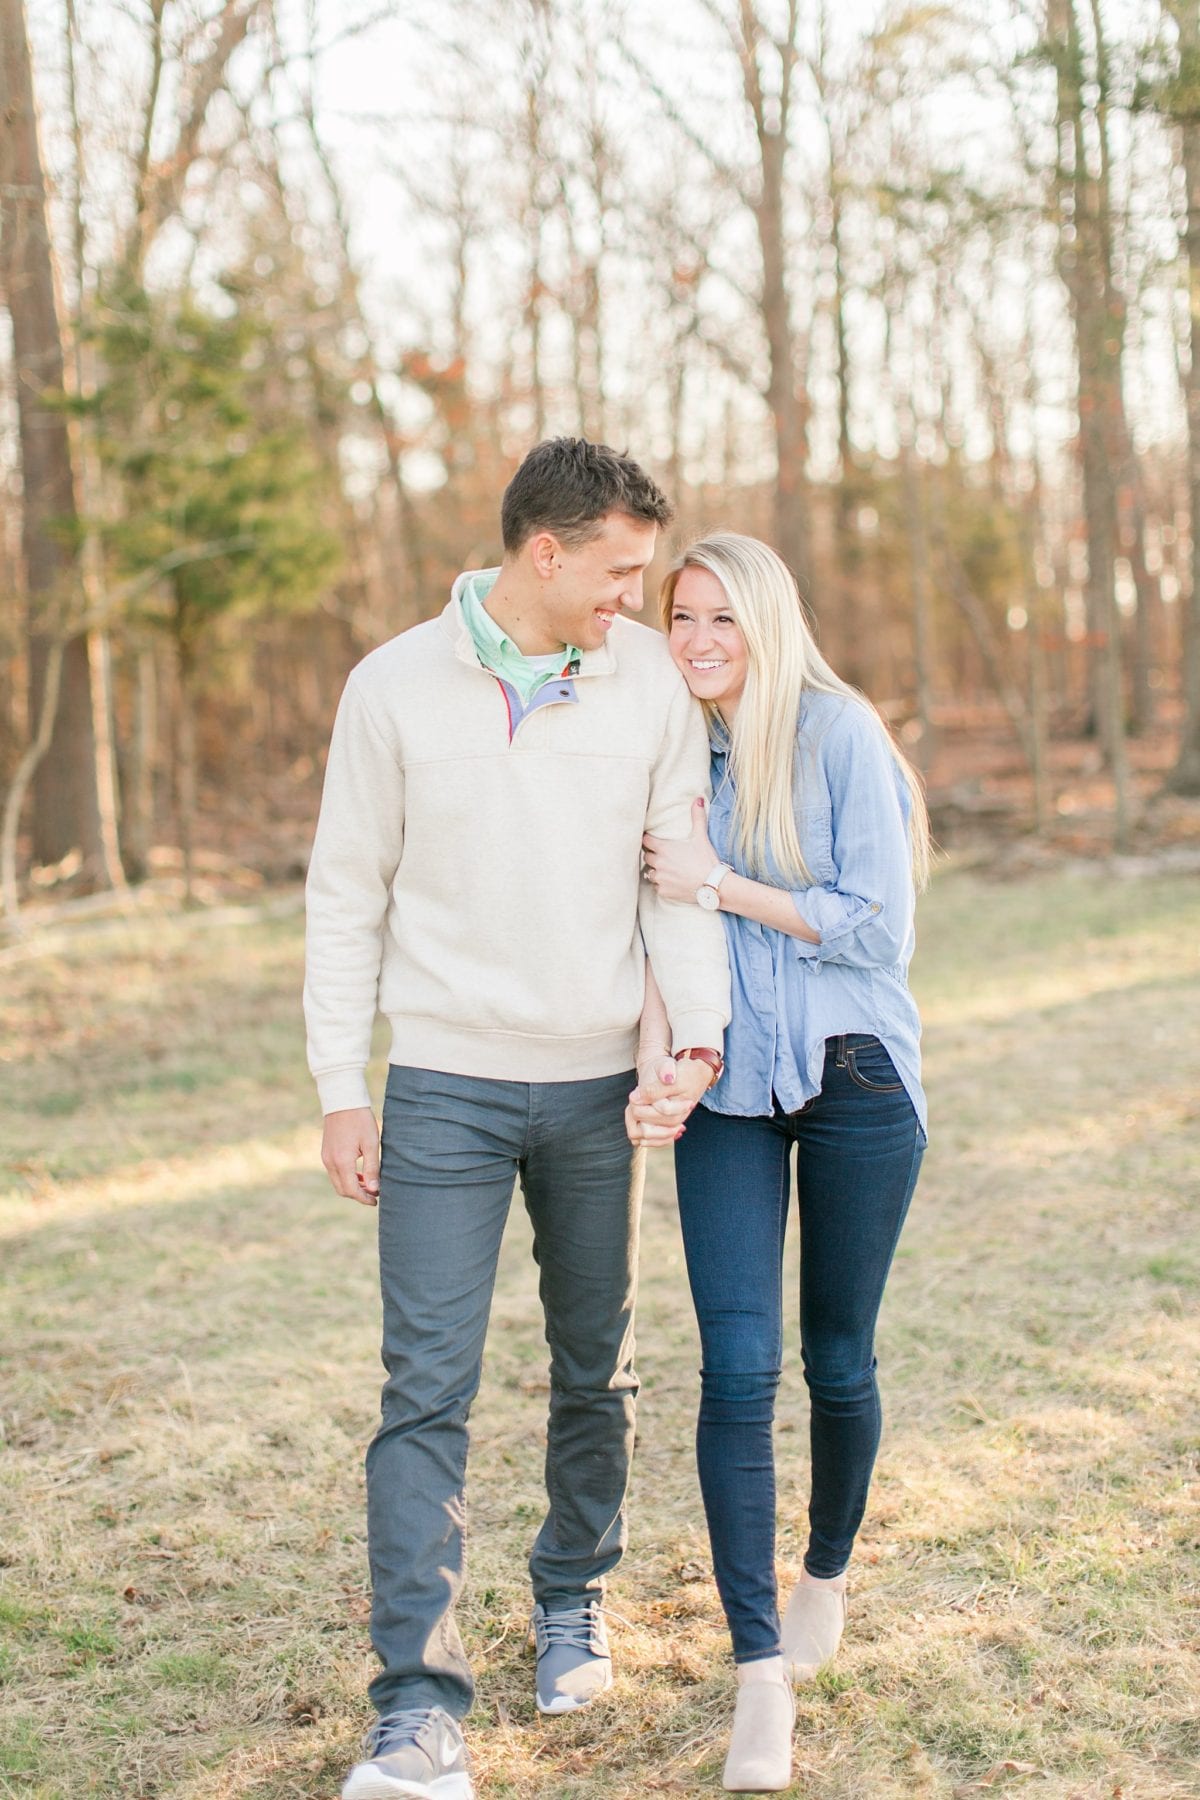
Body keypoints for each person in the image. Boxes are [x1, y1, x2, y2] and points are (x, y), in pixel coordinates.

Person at [304, 439, 730, 1800]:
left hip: (604, 1088)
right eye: (618, 571)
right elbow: (343, 894)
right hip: (441, 1087)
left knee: (593, 1366)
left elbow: (678, 882)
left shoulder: (648, 681)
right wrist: (338, 1086)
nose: (635, 597)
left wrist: (697, 1036)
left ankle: (570, 1599)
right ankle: (418, 1711)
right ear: (543, 553)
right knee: (425, 1390)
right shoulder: (392, 689)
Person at [628, 532, 930, 1794]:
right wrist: (661, 1060)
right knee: (736, 1371)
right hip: (727, 1094)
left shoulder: (836, 731)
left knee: (837, 1360)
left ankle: (827, 1568)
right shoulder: (665, 747)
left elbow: (876, 920)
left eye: (721, 619)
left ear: (766, 621)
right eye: (681, 616)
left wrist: (724, 883)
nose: (697, 639)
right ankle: (759, 1679)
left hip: (857, 1073)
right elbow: (647, 919)